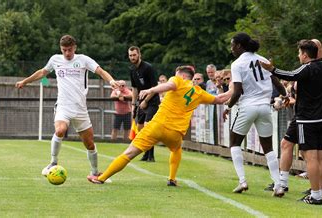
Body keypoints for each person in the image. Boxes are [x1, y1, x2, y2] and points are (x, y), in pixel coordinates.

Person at [86, 66, 231, 185]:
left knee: (129, 153)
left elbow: (169, 85)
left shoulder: (178, 80)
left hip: (158, 126)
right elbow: (219, 99)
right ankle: (172, 179)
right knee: (176, 150)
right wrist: (233, 88)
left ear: (182, 76)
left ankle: (101, 178)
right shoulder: (199, 92)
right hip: (175, 133)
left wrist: (150, 90)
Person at [260, 35, 322, 205]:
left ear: (305, 55)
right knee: (321, 157)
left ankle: (316, 195)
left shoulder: (306, 69)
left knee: (310, 158)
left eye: (299, 53)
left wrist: (271, 69)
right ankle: (318, 190)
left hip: (306, 120)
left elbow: (289, 74)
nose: (298, 56)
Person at [15, 35, 119, 177]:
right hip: (63, 106)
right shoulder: (55, 59)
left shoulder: (83, 60)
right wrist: (25, 81)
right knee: (60, 130)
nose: (67, 53)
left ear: (75, 48)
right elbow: (42, 72)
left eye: (70, 50)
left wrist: (111, 81)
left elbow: (100, 71)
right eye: (64, 50)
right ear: (60, 49)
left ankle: (95, 172)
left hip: (80, 109)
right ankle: (53, 162)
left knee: (90, 144)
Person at [223, 33, 287, 197]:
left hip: (247, 106)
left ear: (239, 46)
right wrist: (284, 96)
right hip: (265, 107)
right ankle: (278, 185)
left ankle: (242, 180)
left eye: (232, 45)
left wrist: (228, 107)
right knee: (268, 148)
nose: (231, 49)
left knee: (234, 142)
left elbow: (236, 92)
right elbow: (278, 84)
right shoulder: (263, 59)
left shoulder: (237, 64)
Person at [128, 46, 160, 162]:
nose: (132, 57)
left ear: (139, 55)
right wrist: (133, 105)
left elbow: (154, 87)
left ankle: (151, 155)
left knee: (148, 126)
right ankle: (146, 153)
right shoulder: (132, 70)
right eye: (130, 55)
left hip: (152, 101)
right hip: (141, 102)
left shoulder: (148, 68)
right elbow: (135, 88)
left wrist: (146, 101)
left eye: (134, 55)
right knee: (140, 128)